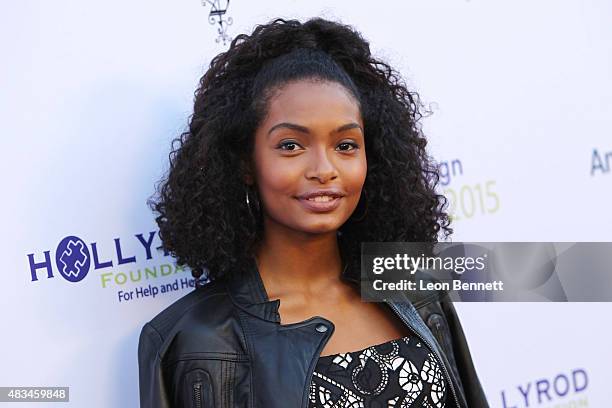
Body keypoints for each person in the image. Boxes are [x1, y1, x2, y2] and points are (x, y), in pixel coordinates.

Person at [138, 17, 489, 408]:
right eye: (290, 145)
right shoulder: (194, 340)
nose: (324, 169)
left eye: (346, 145)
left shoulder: (416, 290)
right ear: (245, 164)